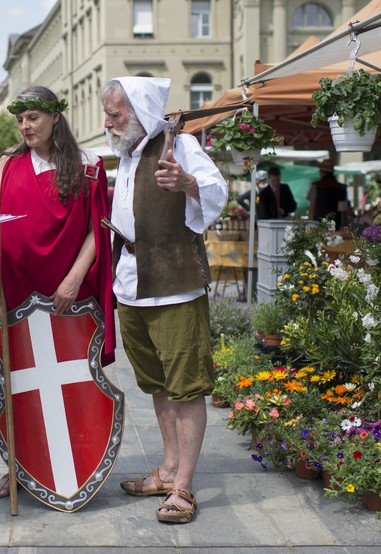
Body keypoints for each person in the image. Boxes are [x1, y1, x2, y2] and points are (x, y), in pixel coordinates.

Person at [0, 85, 115, 498]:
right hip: (16, 292)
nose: (24, 125)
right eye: (20, 119)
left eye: (32, 116)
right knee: (13, 383)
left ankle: (78, 463)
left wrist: (73, 278)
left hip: (69, 297)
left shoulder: (88, 165)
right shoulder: (8, 162)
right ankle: (17, 466)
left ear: (55, 117)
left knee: (74, 383)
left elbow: (96, 231)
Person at [101, 77, 227, 524]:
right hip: (133, 285)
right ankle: (168, 468)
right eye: (108, 113)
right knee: (156, 383)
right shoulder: (128, 155)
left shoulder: (181, 145)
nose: (108, 122)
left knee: (186, 386)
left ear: (139, 113)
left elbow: (218, 193)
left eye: (115, 114)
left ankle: (184, 488)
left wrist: (188, 183)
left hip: (174, 285)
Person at [307, 158, 348, 229]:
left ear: (322, 172)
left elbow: (312, 209)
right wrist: (345, 226)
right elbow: (344, 210)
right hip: (336, 226)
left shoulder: (316, 186)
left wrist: (309, 226)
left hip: (318, 226)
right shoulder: (341, 187)